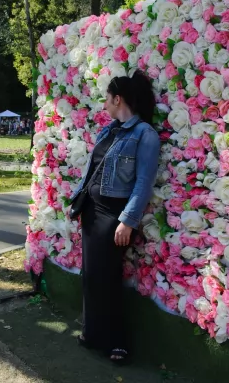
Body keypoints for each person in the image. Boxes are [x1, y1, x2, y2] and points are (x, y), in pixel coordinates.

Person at [69, 70, 161, 364]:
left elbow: (143, 182)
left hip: (113, 216)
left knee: (107, 279)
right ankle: (92, 332)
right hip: (91, 212)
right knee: (91, 277)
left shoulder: (144, 134)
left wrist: (128, 220)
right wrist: (78, 202)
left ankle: (117, 342)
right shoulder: (108, 131)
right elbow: (92, 169)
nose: (105, 106)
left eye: (107, 100)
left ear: (118, 99)